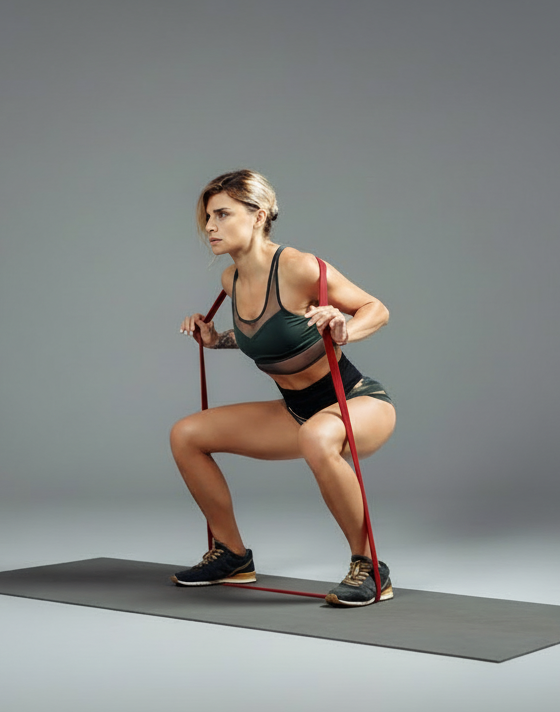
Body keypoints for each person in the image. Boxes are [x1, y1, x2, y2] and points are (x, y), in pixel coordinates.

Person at [170, 169, 397, 607]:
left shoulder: (298, 266)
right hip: (296, 411)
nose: (210, 227)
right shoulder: (230, 281)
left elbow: (377, 309)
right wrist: (216, 340)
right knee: (186, 434)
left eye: (222, 214)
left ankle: (370, 567)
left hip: (356, 401)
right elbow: (270, 338)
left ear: (257, 215)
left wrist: (346, 328)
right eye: (207, 218)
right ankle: (233, 555)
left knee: (317, 435)